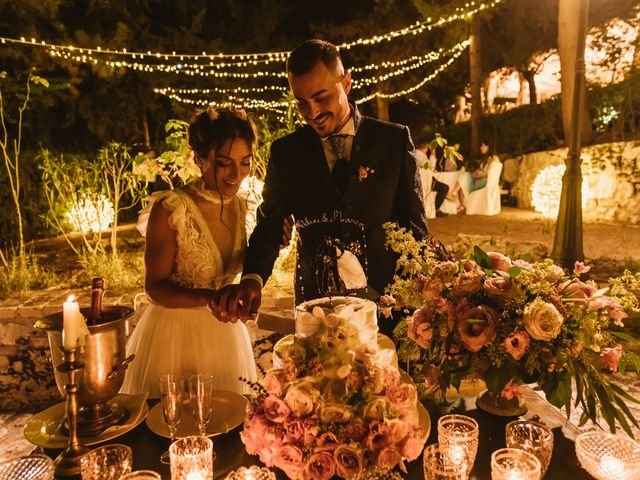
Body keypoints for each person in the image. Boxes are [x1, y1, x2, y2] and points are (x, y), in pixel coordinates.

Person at [210, 39, 427, 335]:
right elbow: (270, 224)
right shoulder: (287, 153)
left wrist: (422, 301)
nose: (312, 112)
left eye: (321, 98)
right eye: (301, 102)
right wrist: (252, 279)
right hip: (317, 309)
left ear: (346, 83)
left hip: (388, 310)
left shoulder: (393, 140)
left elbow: (416, 229)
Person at [121, 108, 258, 398]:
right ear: (199, 160)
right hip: (174, 338)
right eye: (224, 163)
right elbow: (154, 288)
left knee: (227, 425)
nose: (237, 174)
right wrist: (209, 299)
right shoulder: (172, 209)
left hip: (226, 336)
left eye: (245, 163)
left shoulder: (242, 205)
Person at [447, 141, 500, 213]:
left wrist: (477, 176)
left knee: (463, 178)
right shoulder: (486, 158)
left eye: (482, 146)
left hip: (483, 181)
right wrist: (476, 173)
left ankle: (454, 193)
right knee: (463, 179)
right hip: (478, 179)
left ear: (487, 147)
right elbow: (481, 170)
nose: (481, 148)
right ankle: (460, 202)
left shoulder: (493, 158)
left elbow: (487, 173)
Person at [415, 142, 449, 216]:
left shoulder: (417, 154)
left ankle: (436, 209)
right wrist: (433, 153)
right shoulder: (420, 155)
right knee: (444, 188)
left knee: (443, 187)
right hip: (425, 181)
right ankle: (436, 209)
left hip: (425, 179)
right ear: (427, 147)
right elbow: (431, 167)